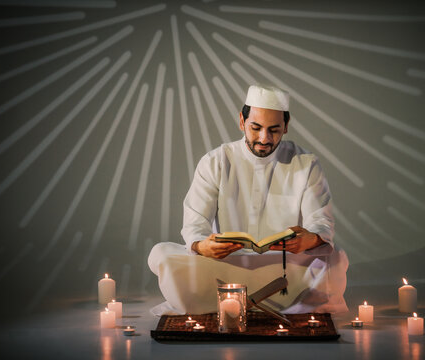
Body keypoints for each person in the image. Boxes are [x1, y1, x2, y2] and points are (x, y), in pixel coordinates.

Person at [148, 85, 348, 316]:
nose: (264, 138)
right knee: (161, 253)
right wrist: (203, 246)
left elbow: (321, 222)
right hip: (225, 263)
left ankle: (228, 303)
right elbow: (195, 223)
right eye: (256, 128)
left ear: (286, 125)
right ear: (241, 122)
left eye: (274, 129)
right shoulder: (216, 161)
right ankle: (260, 302)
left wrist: (309, 240)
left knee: (336, 256)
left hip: (283, 265)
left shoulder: (306, 163)